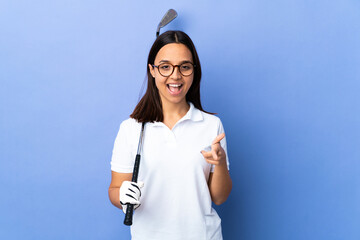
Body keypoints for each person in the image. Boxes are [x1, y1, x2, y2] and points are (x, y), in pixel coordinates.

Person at [108, 30, 232, 240]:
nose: (175, 76)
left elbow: (219, 198)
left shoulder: (212, 125)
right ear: (152, 71)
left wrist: (219, 163)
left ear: (194, 71)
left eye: (184, 67)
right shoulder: (131, 129)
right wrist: (122, 195)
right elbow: (115, 188)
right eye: (165, 67)